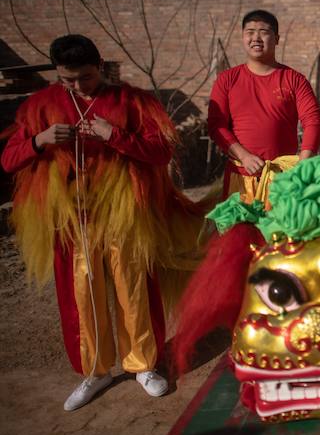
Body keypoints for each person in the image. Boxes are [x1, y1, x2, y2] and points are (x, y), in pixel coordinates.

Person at [1, 34, 203, 410]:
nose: (78, 86)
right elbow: (9, 160)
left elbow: (161, 152)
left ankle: (143, 365)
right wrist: (40, 140)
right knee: (81, 294)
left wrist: (116, 136)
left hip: (126, 216)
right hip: (70, 220)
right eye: (67, 79)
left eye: (86, 78)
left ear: (101, 67)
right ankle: (95, 371)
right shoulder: (40, 106)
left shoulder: (133, 101)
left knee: (134, 288)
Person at [207, 9, 320, 201]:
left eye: (263, 32)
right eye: (250, 32)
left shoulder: (294, 79)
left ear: (276, 39)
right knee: (239, 221)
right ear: (243, 37)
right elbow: (216, 125)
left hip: (284, 179)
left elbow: (313, 121)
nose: (256, 38)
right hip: (241, 179)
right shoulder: (227, 79)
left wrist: (303, 166)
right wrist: (243, 156)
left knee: (284, 222)